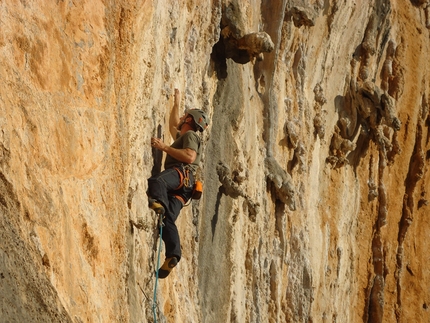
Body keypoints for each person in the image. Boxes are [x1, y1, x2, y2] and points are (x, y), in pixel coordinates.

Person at [148, 88, 209, 278]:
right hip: (184, 191)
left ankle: (159, 203)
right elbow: (174, 124)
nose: (181, 117)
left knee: (157, 181)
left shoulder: (191, 137)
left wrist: (163, 147)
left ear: (189, 120)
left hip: (180, 175)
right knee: (167, 221)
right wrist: (176, 103)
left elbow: (189, 157)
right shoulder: (184, 136)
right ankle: (173, 254)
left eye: (185, 115)